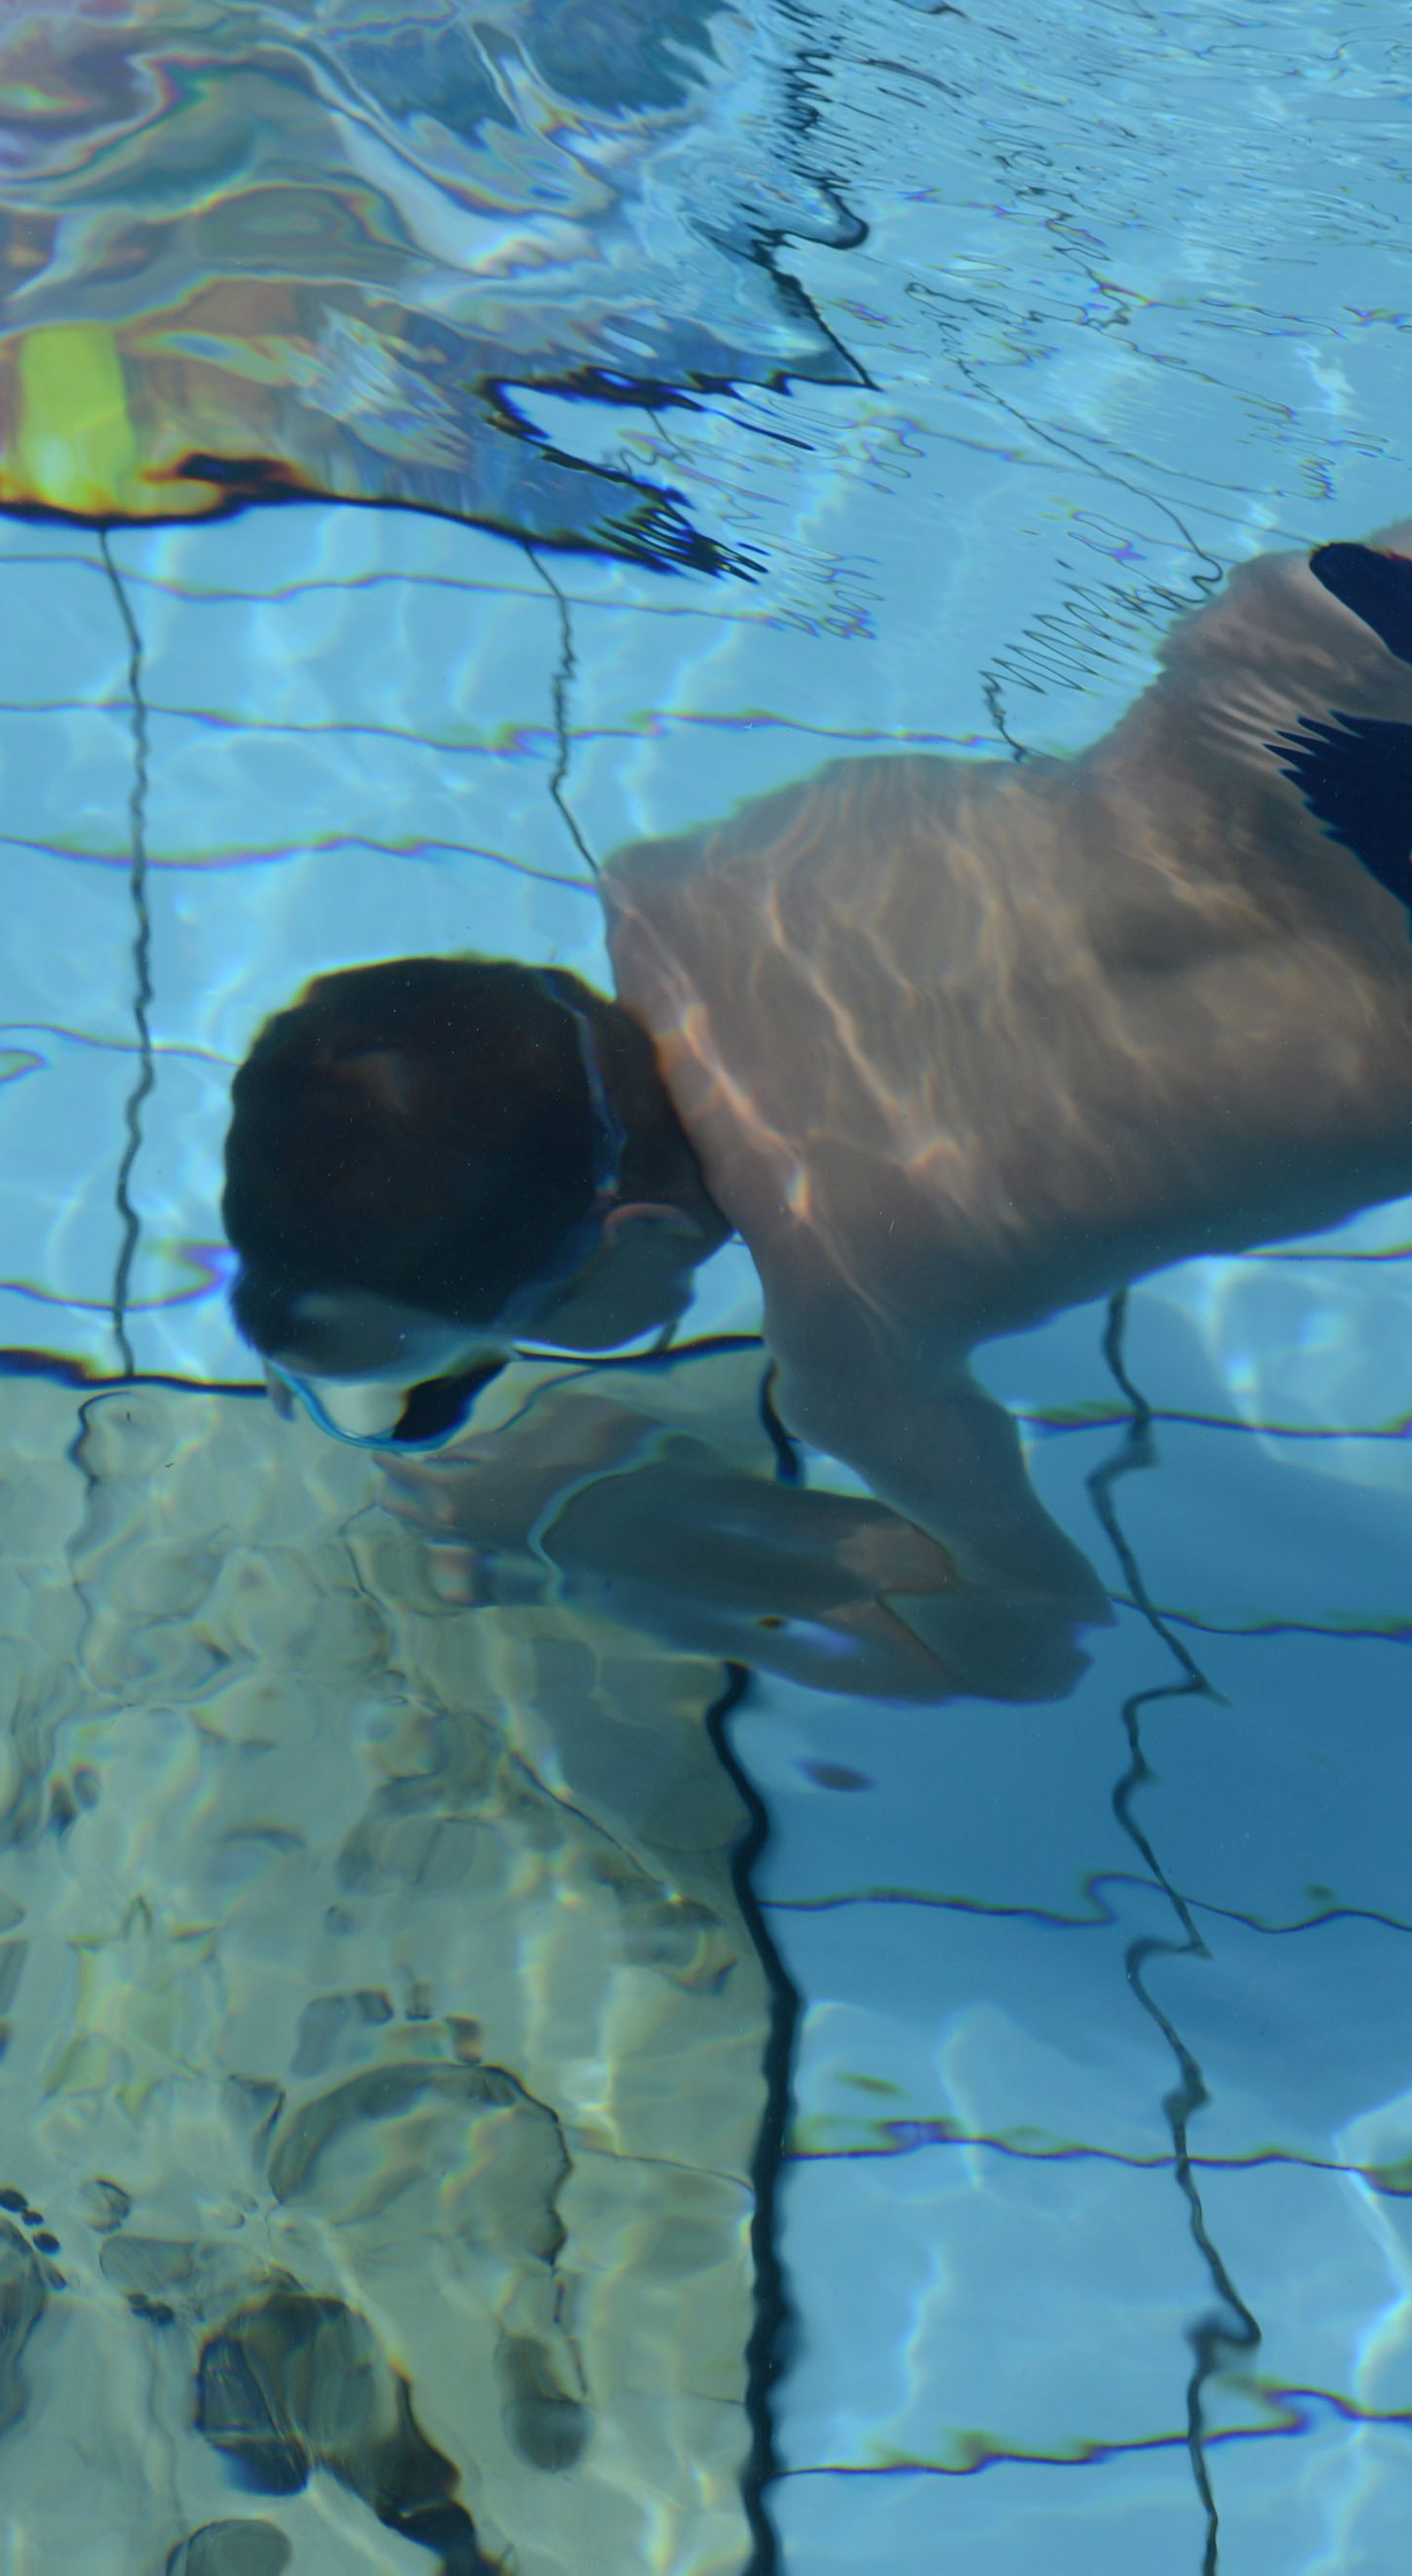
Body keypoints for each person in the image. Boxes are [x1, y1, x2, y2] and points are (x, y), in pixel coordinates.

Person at [222, 527, 1412, 1700]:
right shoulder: (678, 888)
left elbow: (1023, 1642)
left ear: (637, 1234)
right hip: (1311, 658)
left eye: (502, 1346)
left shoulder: (852, 1337)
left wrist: (598, 1533)